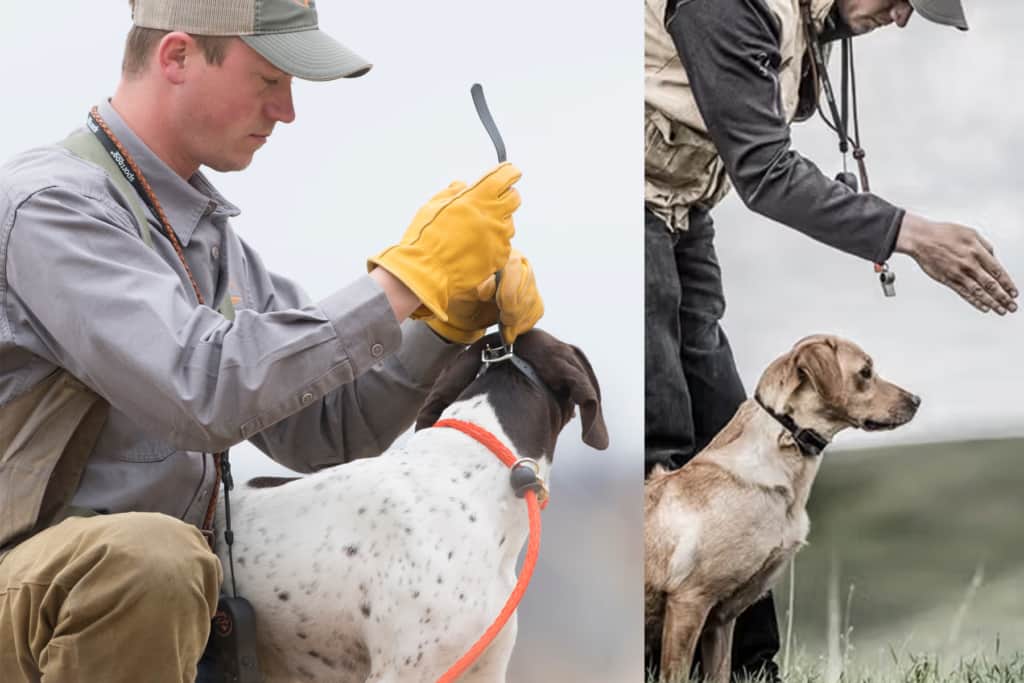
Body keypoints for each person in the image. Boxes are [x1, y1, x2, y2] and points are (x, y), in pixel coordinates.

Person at [0, 1, 544, 681]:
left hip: (146, 603)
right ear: (176, 57)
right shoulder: (50, 206)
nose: (287, 111)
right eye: (269, 80)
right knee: (154, 561)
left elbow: (332, 423)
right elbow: (202, 388)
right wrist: (402, 281)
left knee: (170, 564)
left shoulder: (205, 239)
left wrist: (438, 325)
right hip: (32, 583)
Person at [644, 0, 1018, 678]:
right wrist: (914, 234)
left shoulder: (806, 24)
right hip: (629, 205)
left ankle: (753, 669)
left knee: (719, 414)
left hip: (681, 210)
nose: (901, 18)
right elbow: (764, 171)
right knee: (659, 437)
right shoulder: (727, 6)